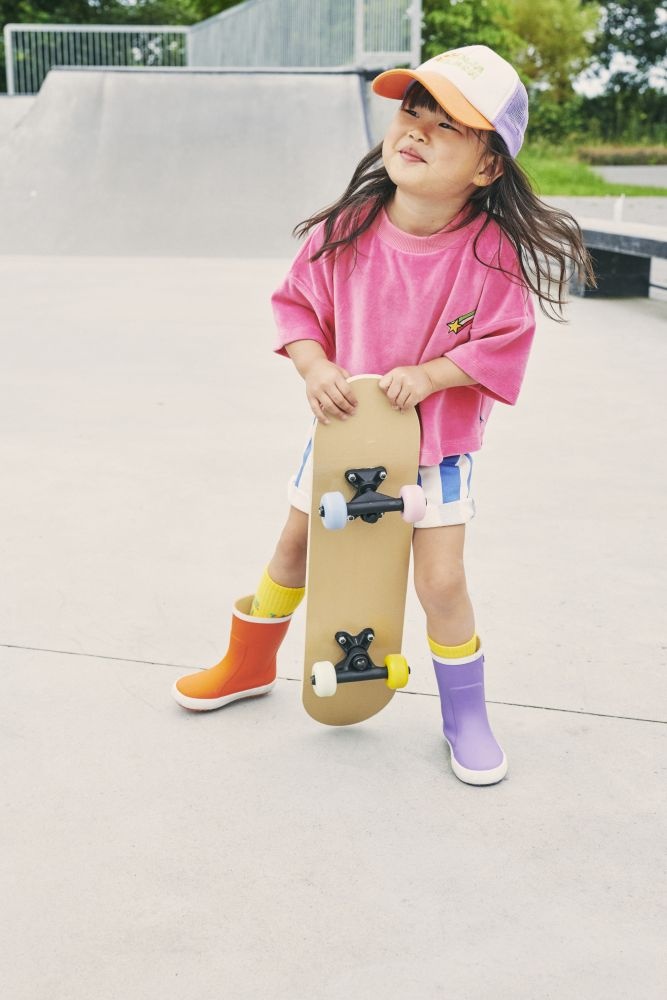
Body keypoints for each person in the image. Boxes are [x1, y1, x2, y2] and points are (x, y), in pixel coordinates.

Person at [172, 45, 593, 786]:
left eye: (447, 124)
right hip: (345, 440)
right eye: (411, 111)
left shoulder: (489, 253)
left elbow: (504, 340)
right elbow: (297, 309)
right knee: (293, 550)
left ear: (487, 166)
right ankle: (249, 661)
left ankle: (465, 713)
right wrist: (314, 368)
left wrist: (432, 375)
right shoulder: (349, 228)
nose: (417, 130)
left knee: (441, 582)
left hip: (438, 453)